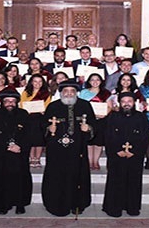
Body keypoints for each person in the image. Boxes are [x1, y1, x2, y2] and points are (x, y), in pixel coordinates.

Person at [42, 81, 96, 217]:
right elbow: (43, 126)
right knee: (57, 176)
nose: (69, 94)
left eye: (72, 91)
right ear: (61, 93)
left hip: (78, 149)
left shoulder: (85, 105)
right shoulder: (53, 106)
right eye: (66, 91)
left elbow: (94, 125)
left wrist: (88, 128)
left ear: (76, 93)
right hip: (57, 150)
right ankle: (56, 203)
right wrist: (49, 128)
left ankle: (77, 204)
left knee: (78, 176)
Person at [0, 89, 32, 215]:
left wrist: (19, 146)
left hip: (19, 154)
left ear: (16, 102)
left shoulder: (23, 114)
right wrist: (7, 146)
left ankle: (20, 204)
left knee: (19, 179)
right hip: (0, 154)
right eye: (7, 101)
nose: (10, 103)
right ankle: (3, 204)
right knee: (1, 180)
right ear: (2, 102)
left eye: (13, 101)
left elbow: (28, 134)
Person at [102, 92, 149, 217]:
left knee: (133, 182)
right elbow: (108, 136)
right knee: (115, 181)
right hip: (116, 155)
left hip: (135, 156)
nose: (127, 103)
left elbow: (145, 137)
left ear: (134, 103)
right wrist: (117, 150)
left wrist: (134, 152)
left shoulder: (141, 117)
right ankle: (114, 208)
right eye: (124, 101)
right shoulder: (113, 117)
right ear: (119, 103)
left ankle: (132, 208)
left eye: (130, 101)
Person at [78, 73, 112, 170]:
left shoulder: (105, 93)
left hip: (101, 119)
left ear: (101, 82)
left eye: (97, 79)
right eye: (92, 79)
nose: (95, 82)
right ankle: (89, 161)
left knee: (98, 141)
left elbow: (110, 107)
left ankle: (95, 161)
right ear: (89, 81)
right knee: (89, 141)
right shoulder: (84, 92)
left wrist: (104, 114)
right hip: (87, 120)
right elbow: (80, 106)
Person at [20, 74, 52, 168]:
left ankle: (37, 159)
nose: (37, 83)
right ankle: (31, 158)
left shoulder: (46, 93)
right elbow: (22, 103)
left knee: (39, 139)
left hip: (40, 118)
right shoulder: (25, 92)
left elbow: (47, 105)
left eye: (40, 81)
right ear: (31, 82)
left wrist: (43, 110)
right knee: (29, 138)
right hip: (28, 118)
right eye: (35, 81)